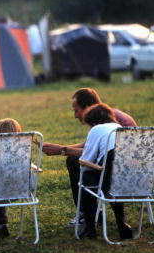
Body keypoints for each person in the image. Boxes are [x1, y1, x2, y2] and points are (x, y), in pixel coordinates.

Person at [42, 88, 137, 229]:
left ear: (88, 108)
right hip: (140, 174)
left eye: (76, 110)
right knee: (74, 160)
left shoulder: (105, 121)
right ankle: (106, 217)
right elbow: (90, 145)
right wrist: (60, 147)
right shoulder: (109, 116)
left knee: (75, 163)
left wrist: (62, 150)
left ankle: (86, 216)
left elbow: (89, 155)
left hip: (117, 175)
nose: (75, 115)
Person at [66, 103, 132, 239]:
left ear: (93, 122)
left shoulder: (96, 129)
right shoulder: (119, 128)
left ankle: (90, 228)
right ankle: (121, 221)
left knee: (86, 177)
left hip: (109, 178)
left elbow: (86, 161)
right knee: (114, 179)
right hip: (130, 178)